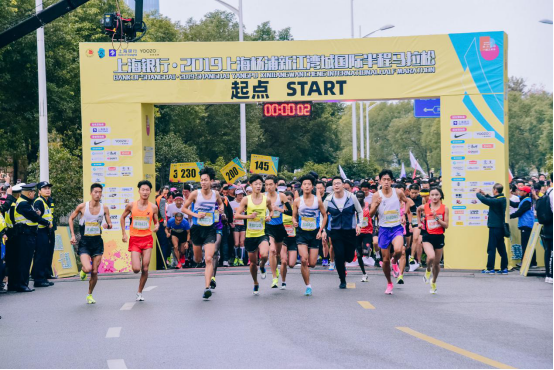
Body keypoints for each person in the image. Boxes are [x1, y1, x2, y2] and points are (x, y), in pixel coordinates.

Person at [181, 168, 224, 300]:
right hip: (197, 229)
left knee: (209, 258)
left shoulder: (216, 194)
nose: (203, 182)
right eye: (201, 180)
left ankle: (207, 288)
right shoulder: (195, 194)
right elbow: (183, 208)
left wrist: (221, 208)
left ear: (211, 181)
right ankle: (198, 260)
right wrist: (196, 214)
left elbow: (220, 203)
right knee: (198, 259)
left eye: (205, 180)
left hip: (210, 228)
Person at [368, 170, 412, 295]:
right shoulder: (376, 195)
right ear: (380, 181)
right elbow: (370, 215)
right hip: (383, 229)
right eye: (384, 179)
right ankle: (389, 282)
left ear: (392, 181)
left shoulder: (398, 192)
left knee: (399, 250)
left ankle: (395, 262)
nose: (386, 182)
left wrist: (403, 214)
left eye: (388, 179)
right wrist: (376, 205)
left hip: (396, 227)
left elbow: (407, 201)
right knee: (385, 260)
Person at [69, 184, 113, 304]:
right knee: (88, 268)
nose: (98, 194)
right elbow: (70, 219)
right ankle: (83, 270)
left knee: (94, 271)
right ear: (91, 193)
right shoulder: (83, 207)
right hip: (84, 243)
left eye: (100, 192)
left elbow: (110, 224)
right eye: (95, 192)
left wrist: (107, 225)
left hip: (97, 242)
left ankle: (89, 294)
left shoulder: (104, 208)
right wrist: (72, 235)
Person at [233, 174, 273, 296]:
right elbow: (237, 215)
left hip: (262, 233)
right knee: (252, 263)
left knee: (265, 254)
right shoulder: (246, 199)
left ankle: (262, 266)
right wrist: (248, 216)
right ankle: (255, 282)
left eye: (260, 184)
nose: (258, 186)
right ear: (251, 185)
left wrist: (269, 216)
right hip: (250, 235)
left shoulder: (266, 199)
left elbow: (271, 210)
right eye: (256, 184)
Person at [121, 180, 160, 302]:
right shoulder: (132, 205)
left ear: (150, 192)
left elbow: (156, 221)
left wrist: (157, 226)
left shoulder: (153, 207)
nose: (145, 192)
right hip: (135, 240)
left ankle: (139, 292)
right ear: (139, 191)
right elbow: (122, 217)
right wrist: (123, 233)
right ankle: (139, 289)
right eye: (143, 190)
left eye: (147, 190)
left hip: (147, 239)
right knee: (136, 269)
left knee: (145, 268)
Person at [323, 178, 362, 289]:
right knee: (339, 255)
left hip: (350, 230)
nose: (336, 185)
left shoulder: (351, 197)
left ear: (343, 185)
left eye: (338, 183)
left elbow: (360, 211)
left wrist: (359, 224)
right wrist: (324, 230)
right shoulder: (328, 199)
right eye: (334, 184)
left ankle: (348, 257)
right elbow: (323, 215)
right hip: (335, 231)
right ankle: (342, 280)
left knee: (349, 257)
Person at [293, 175, 327, 296]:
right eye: (304, 184)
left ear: (312, 187)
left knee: (312, 263)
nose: (307, 186)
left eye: (309, 184)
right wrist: (294, 221)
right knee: (303, 260)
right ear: (301, 187)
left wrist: (320, 230)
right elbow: (294, 216)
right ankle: (308, 286)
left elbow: (325, 216)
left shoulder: (318, 201)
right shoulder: (297, 201)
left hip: (314, 233)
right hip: (302, 233)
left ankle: (307, 272)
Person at [13, 183, 52, 292]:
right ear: (29, 193)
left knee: (26, 260)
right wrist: (46, 222)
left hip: (27, 234)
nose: (34, 194)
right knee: (25, 261)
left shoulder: (25, 202)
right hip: (25, 234)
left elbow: (34, 215)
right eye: (33, 192)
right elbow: (34, 217)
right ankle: (22, 284)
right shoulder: (23, 204)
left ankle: (22, 284)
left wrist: (37, 215)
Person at [420, 188, 449, 294]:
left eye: (437, 194)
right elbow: (418, 210)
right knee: (431, 257)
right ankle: (427, 270)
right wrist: (419, 223)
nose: (434, 197)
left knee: (436, 264)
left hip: (439, 237)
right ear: (430, 196)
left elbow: (446, 225)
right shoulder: (425, 207)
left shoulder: (444, 208)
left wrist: (437, 218)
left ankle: (434, 281)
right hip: (427, 236)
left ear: (440, 196)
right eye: (432, 195)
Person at [265, 175, 293, 289]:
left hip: (279, 227)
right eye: (266, 185)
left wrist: (278, 209)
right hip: (268, 227)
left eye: (271, 184)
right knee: (271, 251)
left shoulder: (281, 196)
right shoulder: (263, 197)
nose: (268, 187)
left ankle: (278, 272)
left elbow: (290, 212)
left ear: (276, 185)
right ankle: (274, 277)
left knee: (278, 254)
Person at [477, 184, 508, 275]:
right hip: (500, 227)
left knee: (491, 248)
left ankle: (490, 268)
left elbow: (486, 201)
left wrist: (478, 194)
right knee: (501, 248)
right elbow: (491, 199)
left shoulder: (498, 200)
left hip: (495, 227)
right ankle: (504, 268)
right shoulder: (502, 199)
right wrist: (485, 194)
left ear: (495, 190)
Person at [32, 182, 55, 288]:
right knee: (40, 255)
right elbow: (37, 218)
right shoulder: (39, 202)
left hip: (46, 231)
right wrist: (47, 223)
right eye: (44, 188)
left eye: (49, 188)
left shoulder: (46, 201)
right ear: (39, 191)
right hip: (40, 231)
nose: (48, 190)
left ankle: (43, 277)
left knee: (45, 254)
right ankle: (38, 279)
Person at [510, 186, 536, 269]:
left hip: (526, 224)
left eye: (521, 190)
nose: (519, 191)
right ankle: (532, 262)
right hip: (526, 224)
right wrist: (506, 199)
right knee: (528, 244)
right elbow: (515, 205)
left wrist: (509, 216)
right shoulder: (524, 200)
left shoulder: (527, 201)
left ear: (525, 192)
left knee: (526, 244)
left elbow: (519, 212)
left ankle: (526, 262)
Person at [280, 191, 298, 290]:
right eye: (286, 200)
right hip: (283, 239)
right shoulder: (279, 211)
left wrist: (296, 224)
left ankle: (284, 270)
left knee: (291, 264)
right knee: (283, 261)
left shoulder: (295, 211)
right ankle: (283, 281)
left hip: (293, 238)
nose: (288, 201)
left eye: (290, 199)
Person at [408, 184, 423, 271]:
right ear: (409, 191)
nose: (414, 195)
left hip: (419, 222)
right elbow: (407, 212)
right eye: (412, 193)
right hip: (408, 222)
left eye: (416, 193)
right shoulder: (406, 199)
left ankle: (414, 258)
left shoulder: (421, 199)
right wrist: (409, 223)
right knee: (407, 244)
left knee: (417, 239)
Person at [230, 189, 246, 266]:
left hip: (242, 224)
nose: (240, 196)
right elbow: (229, 213)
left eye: (242, 194)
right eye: (239, 195)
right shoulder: (232, 203)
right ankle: (236, 257)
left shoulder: (245, 203)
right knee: (236, 243)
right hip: (235, 224)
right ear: (236, 195)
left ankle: (241, 259)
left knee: (242, 242)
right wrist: (230, 222)